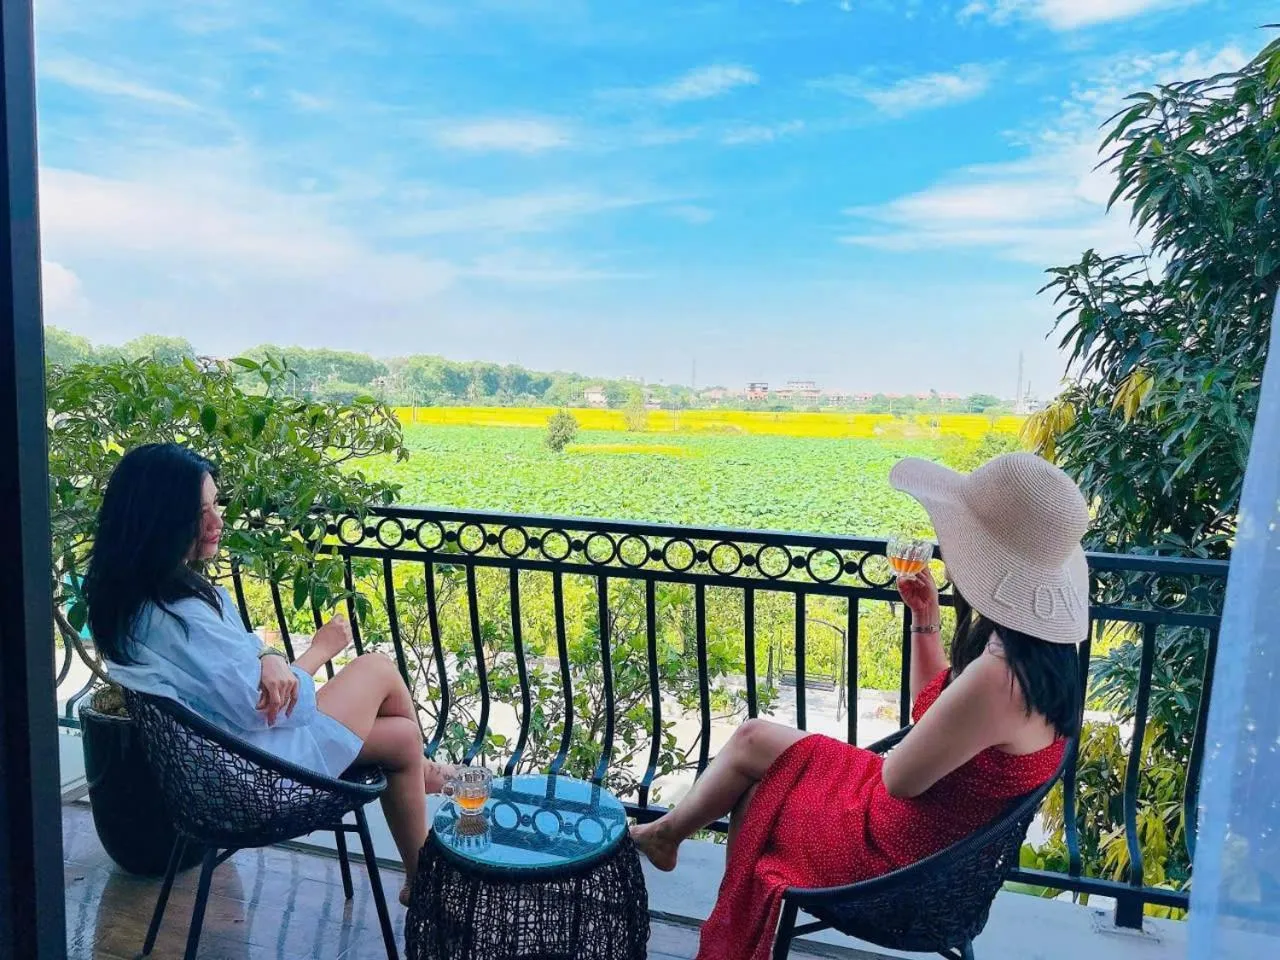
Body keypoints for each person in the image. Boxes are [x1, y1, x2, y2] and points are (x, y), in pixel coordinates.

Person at [631, 452, 1087, 960]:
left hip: (895, 861)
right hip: (936, 841)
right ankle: (667, 837)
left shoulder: (998, 678)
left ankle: (721, 918)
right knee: (754, 738)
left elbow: (900, 779)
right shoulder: (1045, 660)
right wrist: (925, 618)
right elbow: (933, 711)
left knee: (762, 791)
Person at [85, 443, 449, 905]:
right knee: (375, 666)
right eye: (199, 513)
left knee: (401, 739)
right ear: (159, 521)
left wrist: (269, 656)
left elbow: (238, 668)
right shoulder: (182, 619)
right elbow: (267, 708)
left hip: (222, 763)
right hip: (260, 775)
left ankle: (421, 879)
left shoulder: (138, 602)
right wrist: (318, 651)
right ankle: (429, 781)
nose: (217, 521)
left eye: (216, 504)